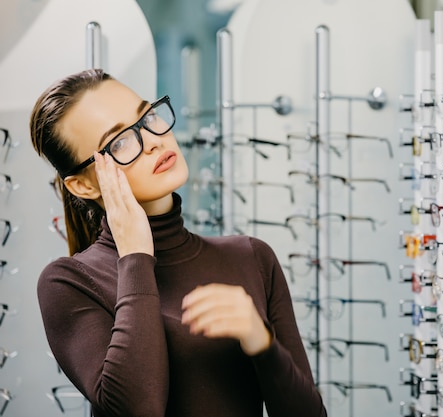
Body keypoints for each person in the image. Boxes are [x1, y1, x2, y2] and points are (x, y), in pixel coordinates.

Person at [30, 68, 327, 417]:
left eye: (148, 116)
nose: (154, 140)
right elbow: (139, 410)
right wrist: (136, 256)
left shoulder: (252, 257)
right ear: (84, 186)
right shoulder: (68, 283)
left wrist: (261, 342)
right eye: (121, 140)